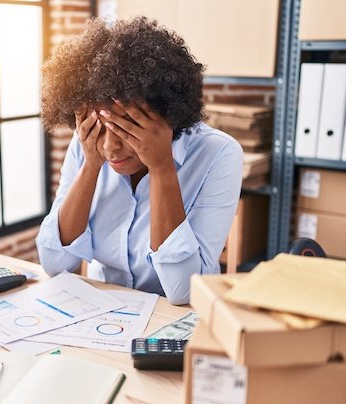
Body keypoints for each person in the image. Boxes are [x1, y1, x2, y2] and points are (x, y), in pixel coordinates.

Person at [35, 16, 243, 305]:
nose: (110, 148)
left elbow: (184, 291)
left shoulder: (219, 155)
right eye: (102, 128)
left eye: (125, 129)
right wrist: (91, 166)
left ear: (166, 114)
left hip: (172, 318)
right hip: (101, 313)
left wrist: (161, 168)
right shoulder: (87, 144)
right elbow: (55, 264)